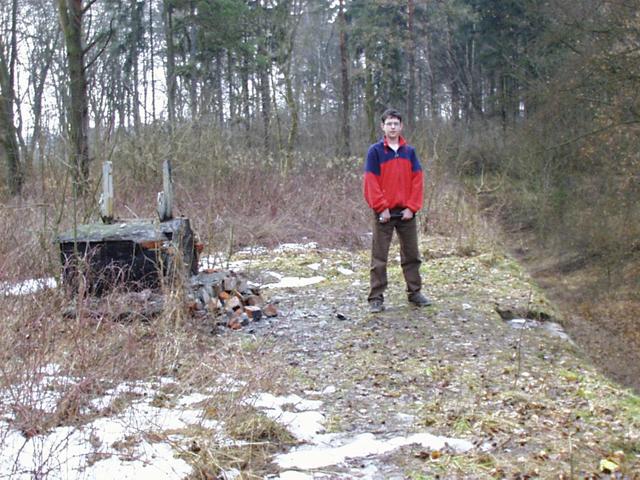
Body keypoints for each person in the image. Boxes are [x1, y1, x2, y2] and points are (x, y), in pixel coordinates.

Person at [363, 108, 431, 313]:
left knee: (412, 254)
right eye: (389, 123)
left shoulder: (409, 152)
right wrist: (381, 208)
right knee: (379, 257)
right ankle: (376, 297)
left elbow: (417, 181)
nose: (392, 127)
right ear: (383, 127)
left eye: (396, 123)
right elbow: (371, 182)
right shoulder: (375, 152)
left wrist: (412, 207)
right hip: (384, 214)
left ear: (401, 127)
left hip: (406, 213)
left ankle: (415, 292)